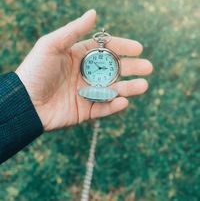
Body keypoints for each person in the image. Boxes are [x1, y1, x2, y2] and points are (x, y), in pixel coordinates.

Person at [0, 9, 153, 164]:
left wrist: (23, 100)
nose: (100, 68)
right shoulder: (97, 64)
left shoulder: (94, 64)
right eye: (97, 67)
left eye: (105, 68)